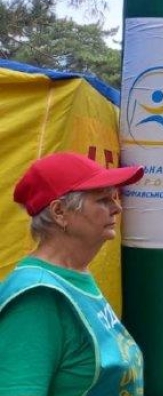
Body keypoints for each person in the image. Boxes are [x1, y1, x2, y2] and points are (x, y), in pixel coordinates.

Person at [0, 153, 145, 395]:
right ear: (59, 212)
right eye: (102, 199)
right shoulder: (37, 298)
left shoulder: (75, 275)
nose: (117, 208)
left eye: (115, 197)